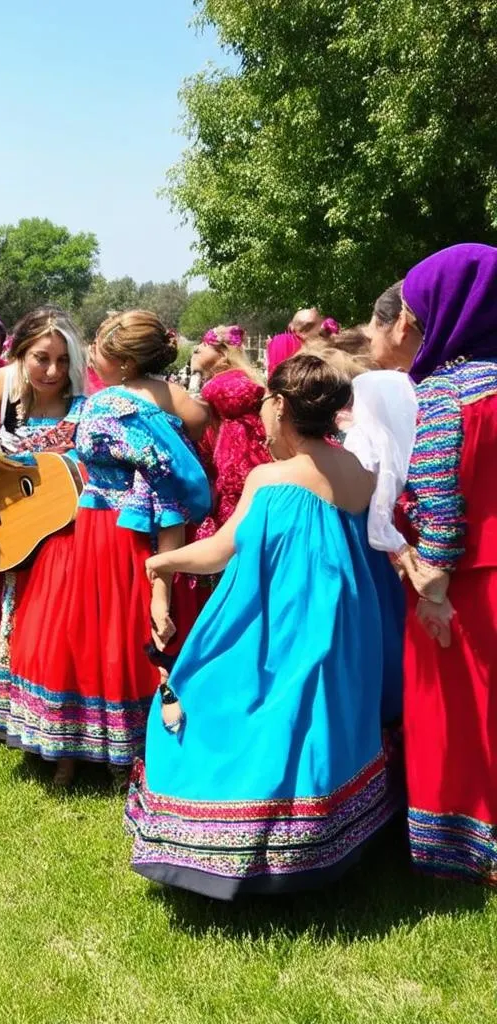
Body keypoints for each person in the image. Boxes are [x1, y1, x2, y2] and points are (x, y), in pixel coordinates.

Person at [125, 354, 406, 899]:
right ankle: (327, 837)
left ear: (279, 406)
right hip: (350, 620)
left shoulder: (271, 477)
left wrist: (162, 563)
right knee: (318, 721)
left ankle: (236, 847)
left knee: (233, 704)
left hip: (286, 624)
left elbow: (221, 551)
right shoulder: (361, 473)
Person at [5, 311, 210, 786]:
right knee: (125, 631)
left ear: (116, 358)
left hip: (93, 527)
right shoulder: (171, 400)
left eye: (96, 344)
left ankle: (68, 751)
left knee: (76, 631)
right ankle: (127, 754)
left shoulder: (104, 405)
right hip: (142, 532)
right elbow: (193, 437)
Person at [376, 245, 497, 886]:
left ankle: (462, 846)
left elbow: (439, 495)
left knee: (460, 712)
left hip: (472, 584)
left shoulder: (449, 390)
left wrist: (433, 583)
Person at [0, 308, 87, 763]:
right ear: (20, 355)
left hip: (71, 536)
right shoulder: (3, 387)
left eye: (63, 360)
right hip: (12, 529)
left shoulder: (89, 397)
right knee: (18, 620)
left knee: (66, 627)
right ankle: (21, 719)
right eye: (41, 358)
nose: (53, 371)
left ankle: (68, 729)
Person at [189, 326, 271, 540]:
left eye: (204, 346)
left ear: (223, 353)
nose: (196, 349)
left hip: (235, 462)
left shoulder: (224, 384)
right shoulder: (237, 378)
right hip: (242, 458)